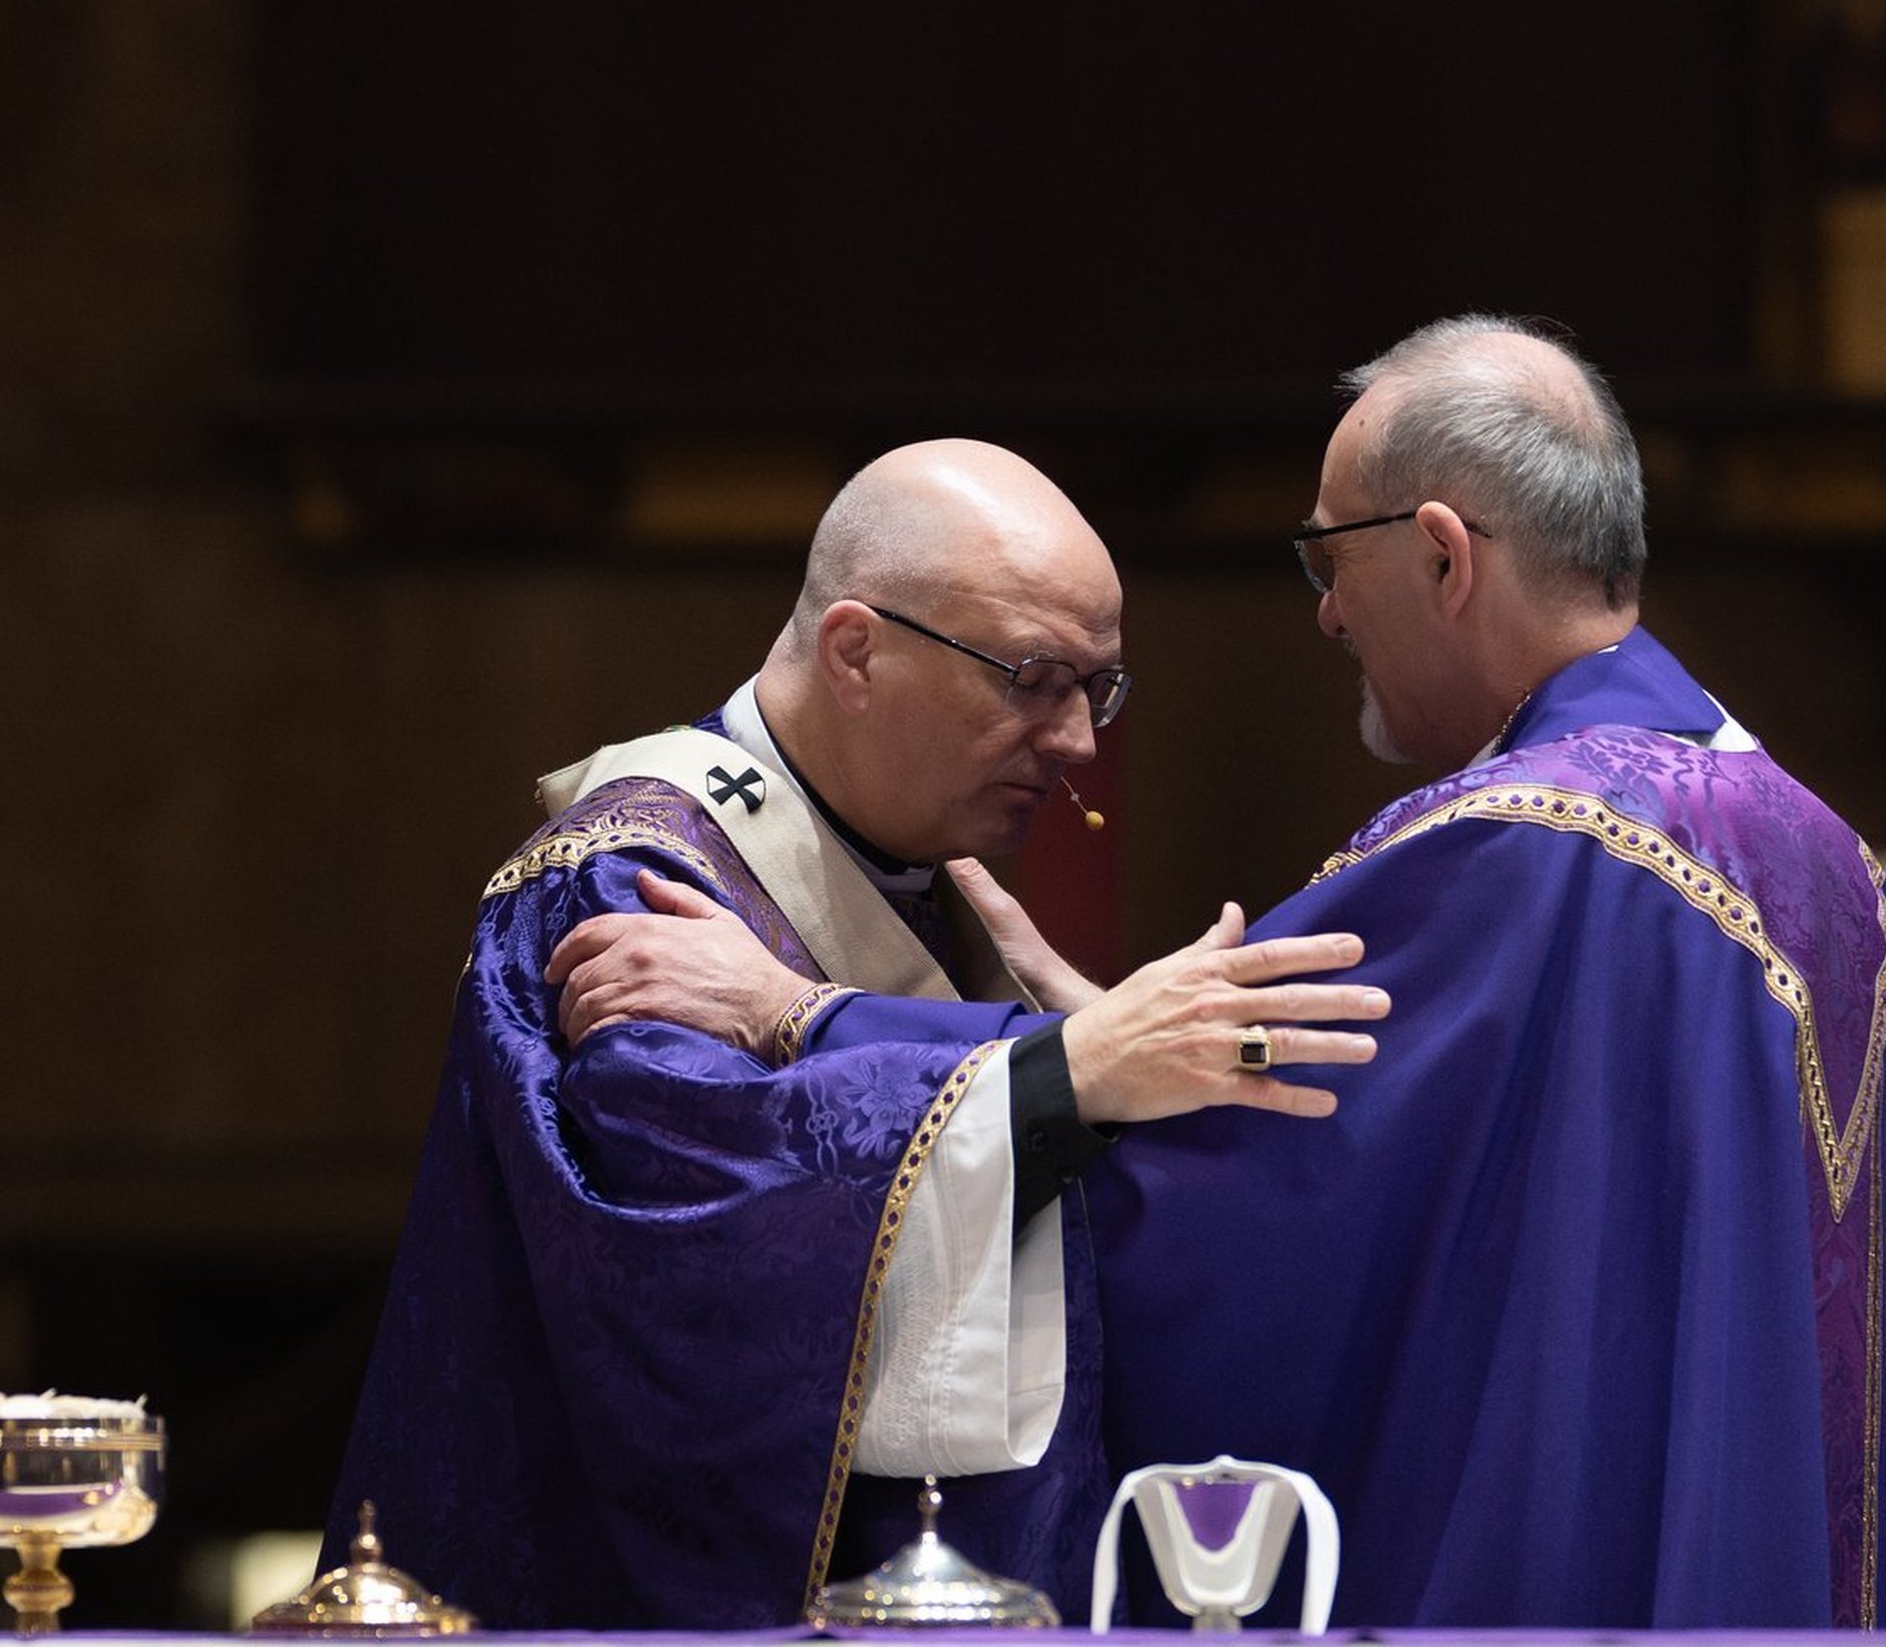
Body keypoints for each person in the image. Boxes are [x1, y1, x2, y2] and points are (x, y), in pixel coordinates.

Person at [559, 317, 1886, 1628]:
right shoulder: (1816, 856)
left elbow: (1224, 1219)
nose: (1328, 613)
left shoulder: (1518, 853)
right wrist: (1102, 1025)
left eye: (1328, 557)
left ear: (1443, 556)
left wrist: (807, 1017)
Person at [322, 439, 1388, 1630]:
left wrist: (1071, 1042)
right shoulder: (630, 884)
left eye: (1098, 688)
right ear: (855, 652)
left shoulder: (934, 884)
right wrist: (1060, 1073)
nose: (1079, 741)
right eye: (1034, 679)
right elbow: (690, 1229)